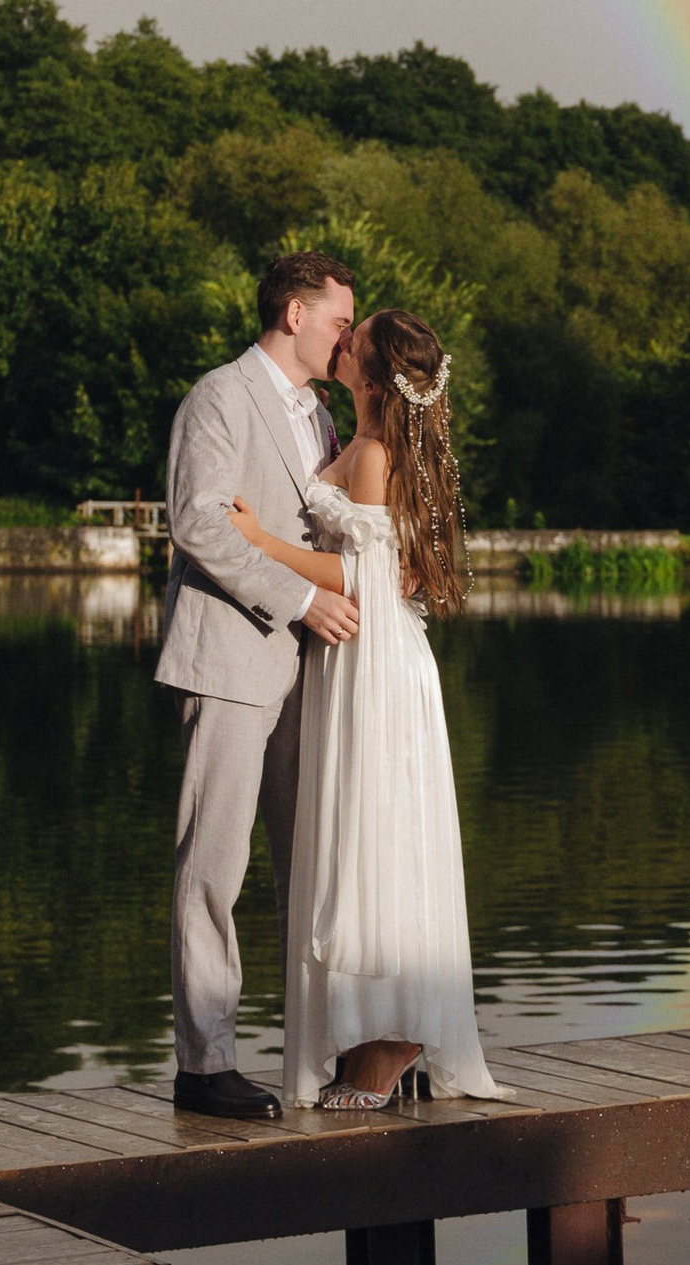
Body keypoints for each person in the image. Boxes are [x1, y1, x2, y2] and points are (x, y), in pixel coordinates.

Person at [226, 307, 503, 1112]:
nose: (341, 341)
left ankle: (393, 1037)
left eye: (356, 337)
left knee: (375, 835)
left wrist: (261, 542)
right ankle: (377, 1030)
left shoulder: (377, 452)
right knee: (365, 835)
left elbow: (367, 577)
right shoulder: (360, 443)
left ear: (374, 376)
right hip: (363, 659)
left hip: (376, 661)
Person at [155, 251, 363, 1119]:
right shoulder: (218, 396)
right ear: (292, 313)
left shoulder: (320, 415)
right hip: (233, 659)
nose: (348, 336)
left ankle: (318, 1052)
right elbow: (197, 520)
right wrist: (301, 598)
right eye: (340, 321)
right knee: (215, 866)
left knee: (310, 866)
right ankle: (204, 1067)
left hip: (308, 669)